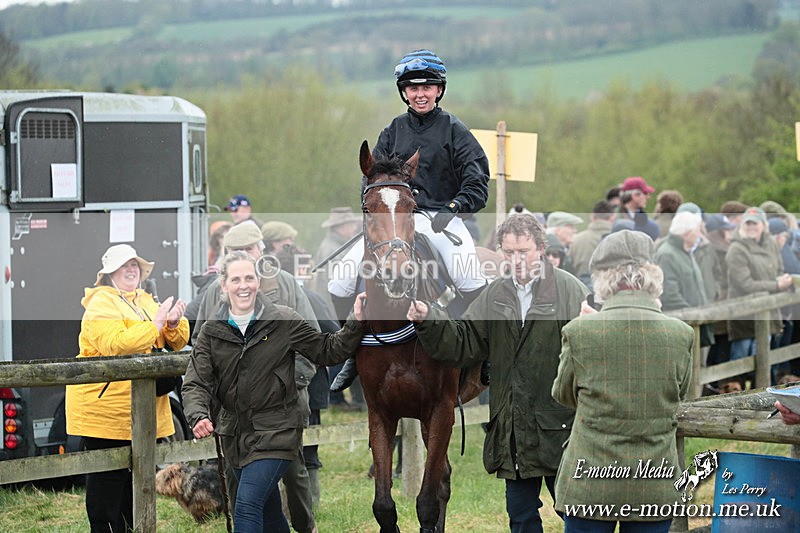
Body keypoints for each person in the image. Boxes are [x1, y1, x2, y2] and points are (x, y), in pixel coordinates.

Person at [406, 213, 588, 533]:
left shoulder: (569, 291)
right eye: (509, 252)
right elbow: (464, 343)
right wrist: (429, 321)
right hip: (512, 431)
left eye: (524, 251)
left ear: (541, 249)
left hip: (560, 428)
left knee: (576, 517)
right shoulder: (494, 294)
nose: (516, 260)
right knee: (520, 518)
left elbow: (589, 358)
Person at [328, 48, 491, 392]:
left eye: (427, 87)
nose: (420, 94)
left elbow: (478, 180)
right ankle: (350, 352)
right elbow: (371, 177)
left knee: (468, 275)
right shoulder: (393, 131)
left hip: (440, 218)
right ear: (404, 92)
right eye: (413, 88)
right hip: (393, 220)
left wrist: (455, 206)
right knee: (340, 279)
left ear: (439, 90)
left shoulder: (454, 130)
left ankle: (481, 354)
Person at [182, 252, 366, 532]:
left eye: (249, 278)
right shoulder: (211, 332)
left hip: (278, 430)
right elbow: (195, 381)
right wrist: (197, 415)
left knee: (246, 505)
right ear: (223, 286)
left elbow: (327, 350)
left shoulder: (283, 320)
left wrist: (355, 320)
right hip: (234, 436)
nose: (243, 285)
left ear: (258, 281)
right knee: (269, 515)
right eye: (235, 279)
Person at [551, 229, 693, 532]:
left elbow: (563, 394)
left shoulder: (580, 331)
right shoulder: (681, 334)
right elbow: (678, 392)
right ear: (651, 275)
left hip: (590, 478)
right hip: (653, 479)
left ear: (604, 279)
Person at [191, 221, 322, 533]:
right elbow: (200, 343)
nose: (248, 255)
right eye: (239, 251)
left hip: (282, 409)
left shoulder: (287, 284)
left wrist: (290, 383)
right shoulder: (215, 293)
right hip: (234, 414)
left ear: (262, 250)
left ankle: (306, 526)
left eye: (252, 249)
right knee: (243, 487)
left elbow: (310, 340)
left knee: (293, 473)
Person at [65, 244, 190, 532]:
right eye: (125, 266)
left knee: (136, 486)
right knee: (107, 489)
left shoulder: (145, 299)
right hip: (106, 413)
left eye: (135, 265)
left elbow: (176, 341)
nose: (131, 269)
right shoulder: (100, 304)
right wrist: (156, 325)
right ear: (109, 273)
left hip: (141, 414)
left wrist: (172, 324)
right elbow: (116, 344)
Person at [726, 206, 793, 361]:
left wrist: (783, 279)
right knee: (742, 357)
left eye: (754, 224)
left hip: (767, 311)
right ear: (741, 225)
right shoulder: (736, 249)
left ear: (763, 225)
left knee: (764, 357)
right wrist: (776, 286)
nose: (751, 227)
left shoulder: (770, 243)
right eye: (747, 224)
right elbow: (745, 284)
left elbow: (779, 269)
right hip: (745, 313)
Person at [654, 211, 714, 349]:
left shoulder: (686, 252)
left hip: (695, 325)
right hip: (683, 327)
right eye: (697, 231)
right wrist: (694, 315)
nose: (699, 235)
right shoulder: (667, 255)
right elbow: (670, 295)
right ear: (687, 233)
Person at [569, 200, 616, 288]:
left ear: (592, 217)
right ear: (613, 217)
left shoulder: (576, 240)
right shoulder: (620, 240)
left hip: (582, 293)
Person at [544, 211, 583, 275]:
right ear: (559, 230)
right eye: (571, 227)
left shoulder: (566, 249)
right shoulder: (543, 249)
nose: (575, 230)